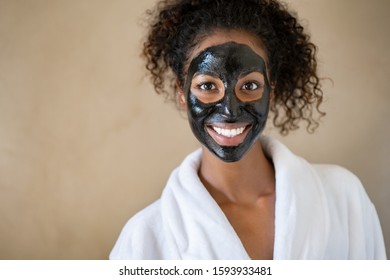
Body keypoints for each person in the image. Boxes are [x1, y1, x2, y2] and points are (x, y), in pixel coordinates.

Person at [110, 0, 386, 259]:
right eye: (207, 86)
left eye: (250, 86)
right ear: (181, 93)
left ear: (272, 91)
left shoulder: (343, 197)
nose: (230, 111)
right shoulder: (143, 240)